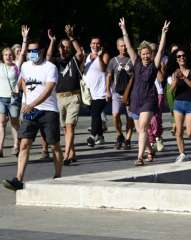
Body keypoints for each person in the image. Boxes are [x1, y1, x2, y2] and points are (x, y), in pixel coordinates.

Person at [2, 40, 63, 191]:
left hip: (49, 110)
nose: (31, 54)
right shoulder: (25, 66)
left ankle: (58, 175)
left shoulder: (50, 67)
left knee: (53, 144)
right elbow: (23, 82)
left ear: (41, 51)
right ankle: (18, 179)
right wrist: (24, 100)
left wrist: (32, 103)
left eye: (34, 51)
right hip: (30, 111)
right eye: (29, 51)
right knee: (24, 144)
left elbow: (48, 90)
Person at [119, 17, 169, 166]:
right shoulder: (136, 63)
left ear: (151, 55)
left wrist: (164, 33)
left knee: (142, 127)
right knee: (141, 130)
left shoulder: (154, 65)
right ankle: (149, 150)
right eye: (144, 53)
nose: (146, 55)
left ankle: (139, 157)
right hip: (135, 100)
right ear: (140, 54)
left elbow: (160, 49)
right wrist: (124, 30)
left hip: (149, 99)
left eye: (148, 53)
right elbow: (128, 47)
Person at [46, 25, 84, 165]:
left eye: (68, 46)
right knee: (65, 128)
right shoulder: (55, 62)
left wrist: (72, 37)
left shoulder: (74, 59)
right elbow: (48, 57)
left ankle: (66, 154)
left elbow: (80, 52)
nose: (65, 48)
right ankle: (72, 152)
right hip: (59, 97)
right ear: (59, 48)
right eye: (63, 47)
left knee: (70, 127)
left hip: (73, 96)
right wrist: (52, 41)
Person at [167, 47, 191, 163]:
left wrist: (183, 78)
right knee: (178, 131)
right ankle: (182, 153)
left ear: (186, 58)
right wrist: (176, 81)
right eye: (179, 56)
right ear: (176, 60)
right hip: (178, 103)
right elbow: (170, 91)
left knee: (190, 131)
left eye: (183, 56)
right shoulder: (174, 73)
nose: (181, 58)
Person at [0, 25, 29, 157]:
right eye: (6, 55)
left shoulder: (16, 66)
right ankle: (0, 147)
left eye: (10, 55)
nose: (8, 57)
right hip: (1, 98)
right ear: (2, 56)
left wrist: (24, 38)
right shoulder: (0, 66)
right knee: (1, 122)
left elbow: (22, 53)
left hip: (13, 99)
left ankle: (16, 145)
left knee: (14, 122)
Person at [106, 38, 134, 150]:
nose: (124, 48)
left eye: (125, 46)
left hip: (130, 94)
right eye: (121, 46)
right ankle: (119, 135)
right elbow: (109, 76)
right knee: (115, 114)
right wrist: (107, 90)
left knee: (130, 118)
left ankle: (128, 139)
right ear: (117, 47)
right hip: (116, 93)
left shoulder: (132, 60)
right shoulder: (113, 61)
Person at [84, 37, 110, 147]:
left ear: (101, 45)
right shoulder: (87, 56)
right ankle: (100, 136)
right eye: (93, 43)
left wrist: (99, 56)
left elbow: (104, 68)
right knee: (96, 114)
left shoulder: (104, 55)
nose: (95, 45)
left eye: (98, 43)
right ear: (90, 44)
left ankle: (92, 135)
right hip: (89, 93)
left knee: (95, 113)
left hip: (101, 92)